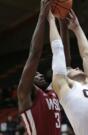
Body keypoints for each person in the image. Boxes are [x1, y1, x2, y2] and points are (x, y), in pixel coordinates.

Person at [48, 9, 88, 135]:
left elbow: (87, 55)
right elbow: (58, 51)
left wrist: (77, 28)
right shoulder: (64, 87)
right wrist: (51, 20)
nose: (77, 68)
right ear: (66, 77)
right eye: (72, 69)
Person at [17, 0, 61, 134]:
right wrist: (42, 16)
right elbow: (34, 54)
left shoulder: (52, 93)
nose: (40, 75)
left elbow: (62, 57)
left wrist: (63, 24)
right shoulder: (24, 95)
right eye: (35, 74)